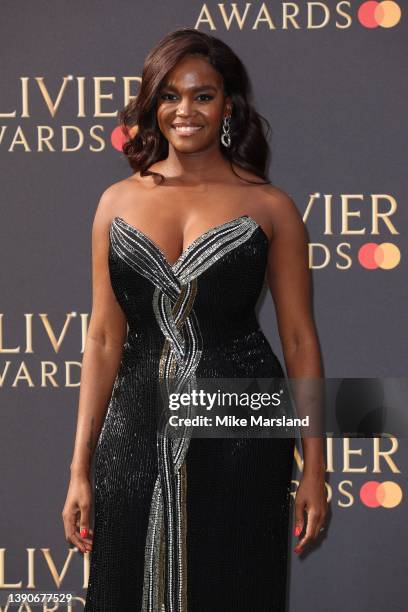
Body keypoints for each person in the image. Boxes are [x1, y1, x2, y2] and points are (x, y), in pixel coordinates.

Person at [62, 27, 327, 611]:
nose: (186, 111)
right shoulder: (116, 201)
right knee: (122, 581)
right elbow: (104, 338)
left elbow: (300, 339)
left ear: (228, 105)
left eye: (203, 95)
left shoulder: (270, 205)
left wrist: (314, 467)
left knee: (233, 582)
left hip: (240, 425)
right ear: (153, 106)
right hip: (134, 424)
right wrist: (80, 468)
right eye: (170, 96)